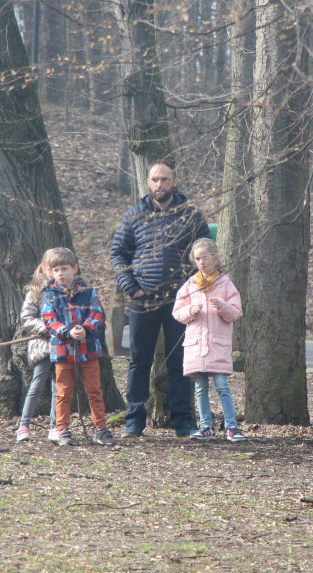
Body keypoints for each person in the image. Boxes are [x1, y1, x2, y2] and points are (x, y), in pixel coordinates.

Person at [111, 161, 211, 438]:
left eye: (165, 179)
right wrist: (131, 288)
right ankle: (134, 422)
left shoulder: (190, 216)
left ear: (174, 181)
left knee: (181, 362)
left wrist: (196, 289)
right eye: (155, 180)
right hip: (143, 301)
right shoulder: (135, 215)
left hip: (181, 302)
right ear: (148, 182)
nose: (160, 185)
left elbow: (206, 254)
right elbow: (118, 253)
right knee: (139, 362)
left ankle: (183, 423)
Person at [172, 238, 246, 442]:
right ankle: (206, 426)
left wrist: (222, 305)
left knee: (222, 384)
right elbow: (177, 311)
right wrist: (190, 311)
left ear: (215, 258)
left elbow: (236, 312)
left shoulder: (225, 284)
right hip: (196, 345)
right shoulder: (190, 285)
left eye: (205, 257)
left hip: (218, 344)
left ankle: (232, 426)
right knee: (200, 387)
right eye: (197, 258)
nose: (201, 262)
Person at [40, 247, 115, 447]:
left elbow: (97, 313)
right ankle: (62, 429)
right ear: (50, 272)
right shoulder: (49, 294)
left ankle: (100, 429)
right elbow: (49, 320)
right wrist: (66, 332)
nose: (60, 274)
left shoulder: (89, 292)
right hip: (62, 351)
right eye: (56, 270)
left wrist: (86, 329)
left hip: (88, 349)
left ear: (75, 269)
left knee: (95, 390)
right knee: (63, 392)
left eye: (64, 269)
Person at [15, 251, 60, 443]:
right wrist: (45, 328)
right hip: (42, 345)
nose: (56, 272)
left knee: (59, 388)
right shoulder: (35, 291)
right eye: (52, 269)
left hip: (63, 346)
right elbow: (27, 318)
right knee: (36, 385)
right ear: (45, 269)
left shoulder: (68, 290)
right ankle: (24, 425)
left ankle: (55, 426)